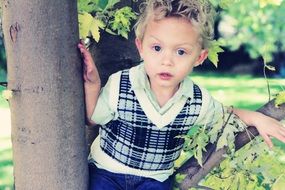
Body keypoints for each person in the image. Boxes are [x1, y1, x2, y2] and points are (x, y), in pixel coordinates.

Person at [78, 0, 285, 189]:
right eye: (157, 48)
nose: (167, 60)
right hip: (107, 173)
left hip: (155, 179)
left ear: (199, 57)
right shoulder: (121, 84)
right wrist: (94, 84)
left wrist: (258, 118)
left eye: (181, 52)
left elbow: (226, 116)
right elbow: (93, 117)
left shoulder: (195, 100)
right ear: (141, 47)